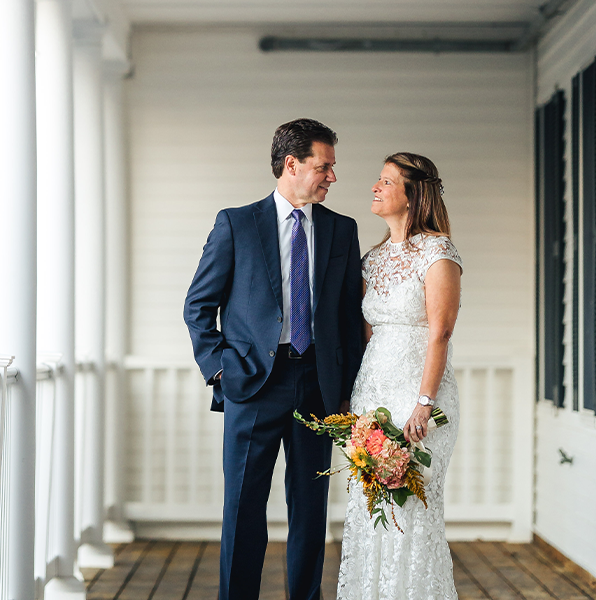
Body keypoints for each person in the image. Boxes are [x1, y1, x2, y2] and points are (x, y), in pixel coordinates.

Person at [184, 118, 364, 600]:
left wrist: (349, 392)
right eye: (323, 166)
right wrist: (220, 368)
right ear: (292, 164)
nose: (331, 177)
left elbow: (349, 320)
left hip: (318, 385)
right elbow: (198, 306)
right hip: (253, 384)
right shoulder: (236, 224)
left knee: (310, 512)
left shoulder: (342, 231)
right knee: (243, 510)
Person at [338, 153, 463, 600]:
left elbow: (441, 331)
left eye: (386, 182)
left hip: (420, 396)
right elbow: (368, 335)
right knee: (370, 505)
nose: (375, 187)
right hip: (373, 392)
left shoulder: (438, 252)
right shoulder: (371, 260)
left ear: (412, 197)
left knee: (412, 509)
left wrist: (424, 402)